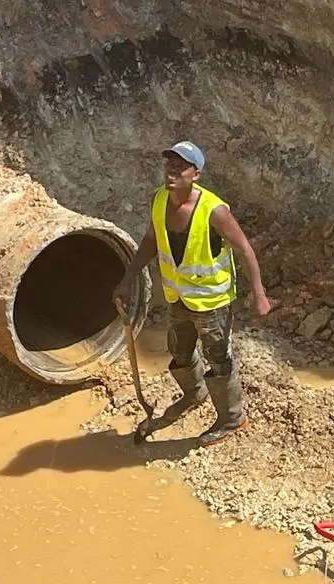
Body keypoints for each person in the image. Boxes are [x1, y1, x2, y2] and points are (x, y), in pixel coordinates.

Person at [113, 140, 271, 446]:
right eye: (169, 164)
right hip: (179, 298)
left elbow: (245, 250)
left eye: (181, 166)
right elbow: (151, 239)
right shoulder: (159, 199)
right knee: (180, 352)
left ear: (195, 174)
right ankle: (195, 392)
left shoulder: (214, 211)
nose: (172, 171)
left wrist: (259, 294)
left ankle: (232, 418)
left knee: (218, 356)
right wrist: (128, 277)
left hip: (212, 302)